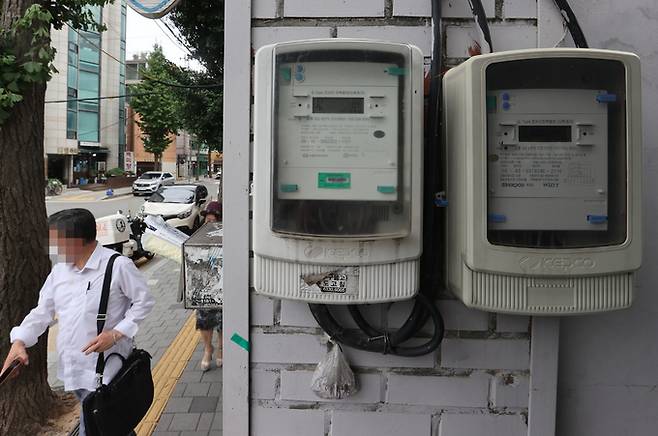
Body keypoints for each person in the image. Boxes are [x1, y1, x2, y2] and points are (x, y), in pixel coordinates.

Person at [1, 208, 155, 436]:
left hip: (106, 370)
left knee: (99, 424)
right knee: (109, 424)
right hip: (73, 368)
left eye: (55, 241)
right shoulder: (60, 272)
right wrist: (20, 341)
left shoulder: (117, 266)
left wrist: (116, 334)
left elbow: (144, 302)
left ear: (75, 240)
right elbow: (42, 311)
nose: (52, 248)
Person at [196, 201, 223, 370]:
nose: (209, 223)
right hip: (204, 286)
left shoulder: (228, 236)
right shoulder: (198, 236)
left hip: (222, 285)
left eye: (213, 220)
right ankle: (208, 349)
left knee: (222, 321)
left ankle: (222, 349)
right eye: (207, 220)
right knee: (204, 321)